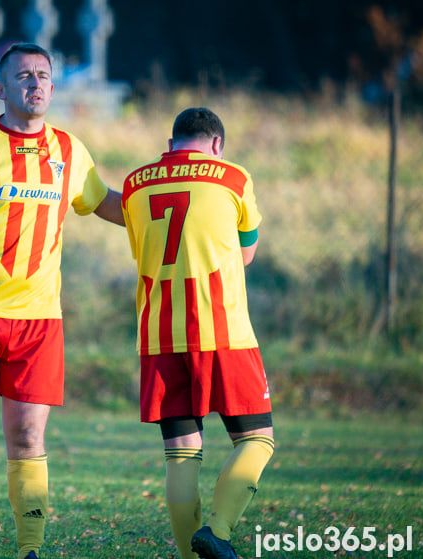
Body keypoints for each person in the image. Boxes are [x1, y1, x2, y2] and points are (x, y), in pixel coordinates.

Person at [0, 42, 125, 559]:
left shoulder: (69, 148)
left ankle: (30, 549)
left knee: (28, 436)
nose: (35, 83)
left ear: (53, 87)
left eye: (43, 75)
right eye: (23, 76)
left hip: (39, 319)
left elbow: (102, 201)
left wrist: (162, 209)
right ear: (1, 89)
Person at [121, 107, 275, 559]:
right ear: (217, 144)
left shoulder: (136, 184)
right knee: (257, 440)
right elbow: (247, 254)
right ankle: (219, 531)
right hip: (221, 328)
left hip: (158, 333)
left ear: (170, 146)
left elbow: (142, 246)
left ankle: (190, 556)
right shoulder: (232, 176)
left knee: (181, 452)